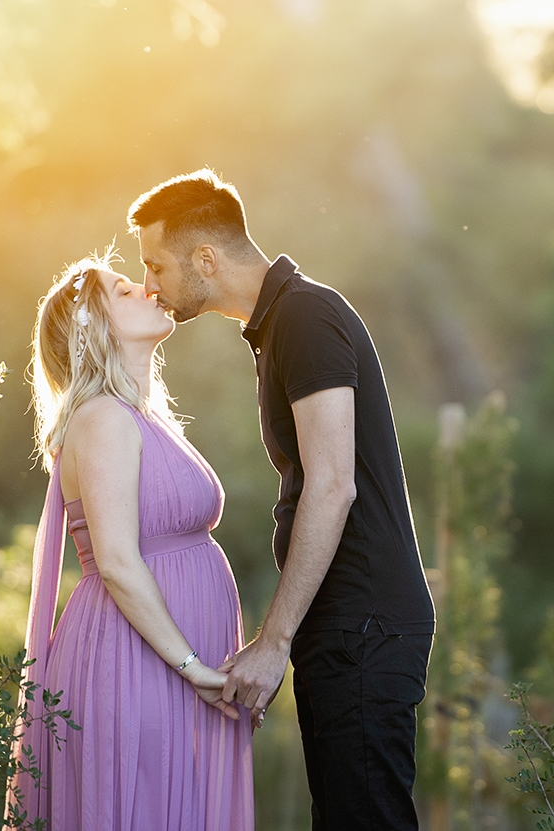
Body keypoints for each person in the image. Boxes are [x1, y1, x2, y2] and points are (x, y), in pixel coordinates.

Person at [128, 170, 436, 831]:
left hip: (365, 622)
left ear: (204, 258)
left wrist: (273, 641)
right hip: (347, 623)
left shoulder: (305, 316)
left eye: (156, 266)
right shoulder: (279, 326)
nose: (149, 285)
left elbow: (332, 483)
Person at [3, 253, 254, 831]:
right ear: (93, 325)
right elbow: (116, 560)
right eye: (123, 289)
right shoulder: (101, 419)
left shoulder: (143, 418)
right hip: (134, 662)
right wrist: (192, 666)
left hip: (172, 660)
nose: (146, 288)